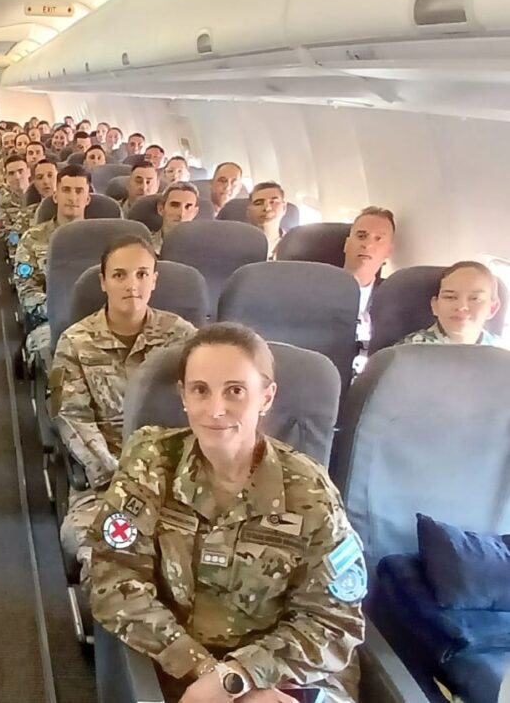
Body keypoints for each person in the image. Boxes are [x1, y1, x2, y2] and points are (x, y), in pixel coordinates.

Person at [89, 322, 366, 703]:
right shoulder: (151, 462)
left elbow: (333, 619)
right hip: (179, 669)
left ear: (266, 397)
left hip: (287, 675)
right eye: (200, 390)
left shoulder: (309, 490)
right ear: (183, 396)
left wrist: (245, 674)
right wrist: (210, 673)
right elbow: (113, 577)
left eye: (235, 391)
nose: (215, 410)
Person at [50, 235, 196, 573]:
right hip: (108, 478)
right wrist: (116, 473)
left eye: (142, 274)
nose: (132, 285)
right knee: (101, 550)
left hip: (178, 476)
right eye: (119, 275)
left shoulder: (183, 337)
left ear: (154, 280)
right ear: (103, 282)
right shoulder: (75, 342)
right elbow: (72, 418)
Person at [15, 165, 101, 368]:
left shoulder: (103, 239)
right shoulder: (33, 238)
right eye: (66, 190)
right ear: (55, 196)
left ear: (88, 199)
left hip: (99, 322)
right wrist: (60, 311)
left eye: (79, 191)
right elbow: (27, 289)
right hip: (51, 321)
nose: (73, 197)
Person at [397, 261, 504, 347]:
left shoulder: (501, 353)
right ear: (435, 306)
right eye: (450, 297)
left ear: (492, 308)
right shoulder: (409, 350)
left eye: (475, 298)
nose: (461, 307)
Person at [344, 206, 396, 369]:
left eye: (378, 239)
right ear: (346, 244)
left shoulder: (394, 298)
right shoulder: (315, 289)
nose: (367, 244)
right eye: (361, 236)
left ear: (389, 251)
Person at [0, 155, 35, 257]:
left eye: (21, 171)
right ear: (6, 177)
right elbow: (1, 230)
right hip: (17, 249)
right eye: (11, 173)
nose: (17, 177)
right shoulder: (4, 202)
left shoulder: (39, 196)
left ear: (29, 172)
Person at [154, 182, 201, 253]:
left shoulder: (203, 249)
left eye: (188, 207)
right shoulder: (145, 244)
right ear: (161, 209)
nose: (181, 214)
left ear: (195, 213)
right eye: (175, 205)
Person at [246, 181, 287, 256]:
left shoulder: (294, 244)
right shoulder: (238, 245)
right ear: (249, 211)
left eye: (273, 202)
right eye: (258, 203)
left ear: (284, 208)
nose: (267, 208)